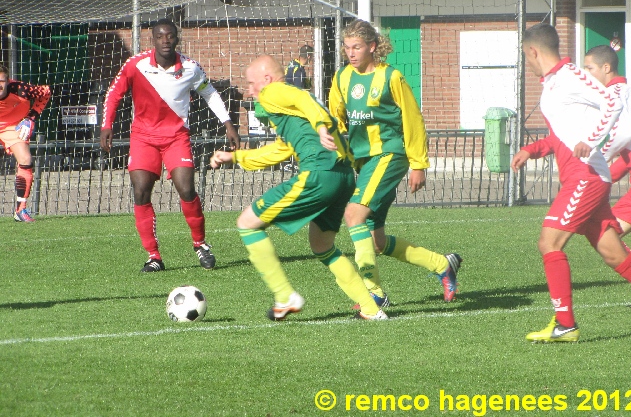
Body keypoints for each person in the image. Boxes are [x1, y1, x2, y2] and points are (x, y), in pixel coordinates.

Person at [210, 54, 388, 321]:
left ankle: (284, 296)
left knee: (247, 223)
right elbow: (282, 150)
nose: (250, 91)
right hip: (342, 175)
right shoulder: (289, 107)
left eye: (251, 83)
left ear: (267, 79)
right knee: (322, 244)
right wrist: (236, 157)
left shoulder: (273, 92)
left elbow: (304, 101)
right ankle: (371, 309)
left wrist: (320, 127)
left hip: (318, 173)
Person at [510, 23, 631, 343]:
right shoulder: (553, 83)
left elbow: (614, 103)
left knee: (549, 243)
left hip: (587, 176)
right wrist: (532, 149)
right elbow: (562, 134)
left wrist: (593, 140)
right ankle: (564, 325)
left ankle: (565, 324)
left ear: (532, 52)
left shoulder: (571, 76)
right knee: (612, 252)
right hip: (582, 175)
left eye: (525, 56)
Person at [327, 19, 462, 308]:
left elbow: (412, 120)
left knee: (353, 216)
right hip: (364, 161)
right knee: (376, 240)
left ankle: (373, 293)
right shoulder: (342, 78)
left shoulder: (392, 77)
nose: (350, 53)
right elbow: (335, 117)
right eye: (347, 47)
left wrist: (418, 164)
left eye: (357, 47)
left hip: (390, 155)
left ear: (372, 47)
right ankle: (442, 265)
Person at [100, 19, 240, 272]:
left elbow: (209, 93)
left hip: (176, 137)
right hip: (143, 138)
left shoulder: (190, 67)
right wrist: (106, 125)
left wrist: (228, 124)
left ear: (177, 39)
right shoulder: (136, 65)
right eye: (160, 36)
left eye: (170, 36)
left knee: (186, 189)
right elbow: (114, 93)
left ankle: (200, 245)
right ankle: (154, 256)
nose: (165, 40)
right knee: (141, 191)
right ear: (152, 40)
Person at [584, 44, 631, 309]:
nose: (586, 74)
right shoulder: (621, 92)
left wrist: (600, 158)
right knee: (609, 235)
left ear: (606, 68)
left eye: (589, 68)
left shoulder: (615, 92)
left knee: (606, 236)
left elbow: (626, 133)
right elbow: (630, 153)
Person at [0, 65, 51, 223]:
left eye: (1, 81)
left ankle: (20, 210)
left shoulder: (21, 90)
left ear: (8, 81)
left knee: (25, 159)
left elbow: (46, 92)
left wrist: (31, 118)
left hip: (11, 126)